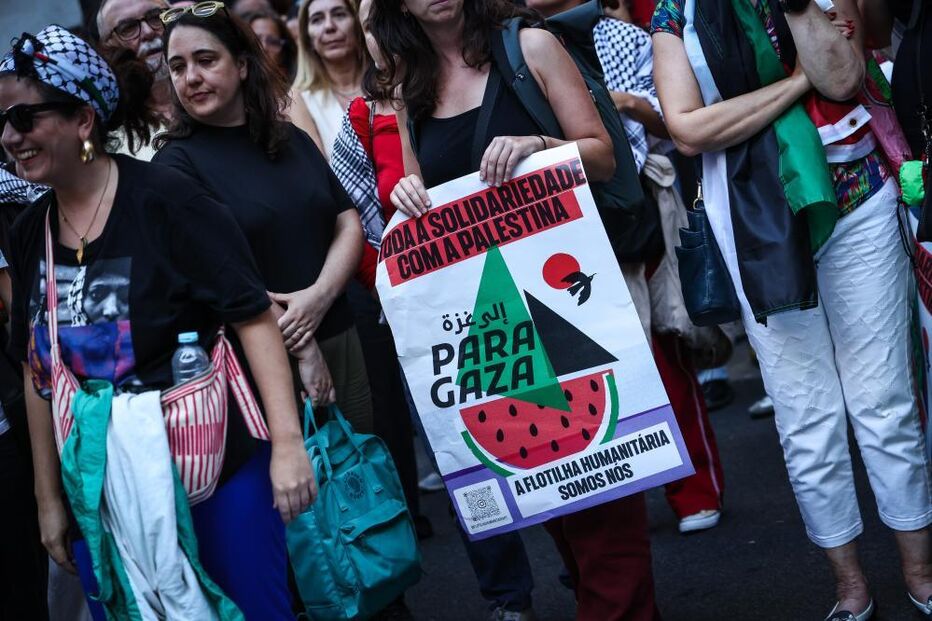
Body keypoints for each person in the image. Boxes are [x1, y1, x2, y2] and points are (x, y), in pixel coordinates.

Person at [0, 23, 315, 621]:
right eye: (2, 123)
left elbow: (252, 318)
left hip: (213, 470)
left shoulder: (169, 199)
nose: (9, 138)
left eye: (24, 119)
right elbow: (37, 370)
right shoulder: (27, 231)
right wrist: (49, 498)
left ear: (83, 120)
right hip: (99, 488)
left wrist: (288, 447)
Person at [372, 1, 667, 619]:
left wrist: (538, 145)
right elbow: (425, 197)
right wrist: (406, 193)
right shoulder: (408, 86)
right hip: (492, 320)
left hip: (571, 306)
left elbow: (604, 155)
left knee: (605, 496)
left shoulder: (530, 46)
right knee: (552, 498)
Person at [652, 0, 932, 618]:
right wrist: (797, 83)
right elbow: (688, 129)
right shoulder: (677, 13)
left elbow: (842, 78)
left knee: (884, 402)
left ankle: (921, 572)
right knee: (807, 414)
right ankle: (850, 587)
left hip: (857, 199)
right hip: (754, 220)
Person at [526, 0, 725, 535]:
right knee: (587, 373)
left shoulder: (621, 38)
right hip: (558, 229)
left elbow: (677, 122)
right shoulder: (507, 53)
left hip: (631, 212)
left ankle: (695, 490)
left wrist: (626, 104)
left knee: (663, 352)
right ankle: (618, 505)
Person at [152, 4, 373, 433]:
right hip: (265, 357)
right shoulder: (175, 167)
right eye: (177, 67)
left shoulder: (289, 137)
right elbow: (222, 272)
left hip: (341, 331)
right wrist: (302, 345)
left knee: (370, 464)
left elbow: (347, 220)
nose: (191, 77)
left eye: (205, 60)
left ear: (242, 65)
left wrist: (319, 297)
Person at [288, 0, 367, 158]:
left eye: (339, 15)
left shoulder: (388, 82)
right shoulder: (298, 99)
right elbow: (318, 169)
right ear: (308, 39)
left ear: (358, 25)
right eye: (317, 19)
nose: (329, 26)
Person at [96, 0, 173, 159]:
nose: (148, 32)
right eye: (128, 28)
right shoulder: (112, 136)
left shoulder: (218, 90)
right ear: (108, 46)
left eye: (156, 17)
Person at [245, 9, 298, 80]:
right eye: (256, 40)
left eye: (273, 42)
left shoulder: (297, 85)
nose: (263, 47)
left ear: (283, 53)